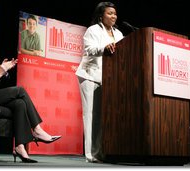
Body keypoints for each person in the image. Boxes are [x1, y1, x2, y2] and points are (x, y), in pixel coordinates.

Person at [0, 26, 61, 163]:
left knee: (19, 103)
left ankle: (19, 146)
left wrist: (4, 72)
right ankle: (37, 129)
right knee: (20, 90)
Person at [75, 2, 124, 163]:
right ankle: (90, 154)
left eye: (115, 14)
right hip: (89, 75)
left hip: (109, 79)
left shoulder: (119, 34)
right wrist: (104, 47)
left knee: (102, 117)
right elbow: (89, 49)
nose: (113, 16)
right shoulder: (93, 30)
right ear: (101, 16)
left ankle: (101, 151)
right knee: (90, 115)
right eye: (110, 13)